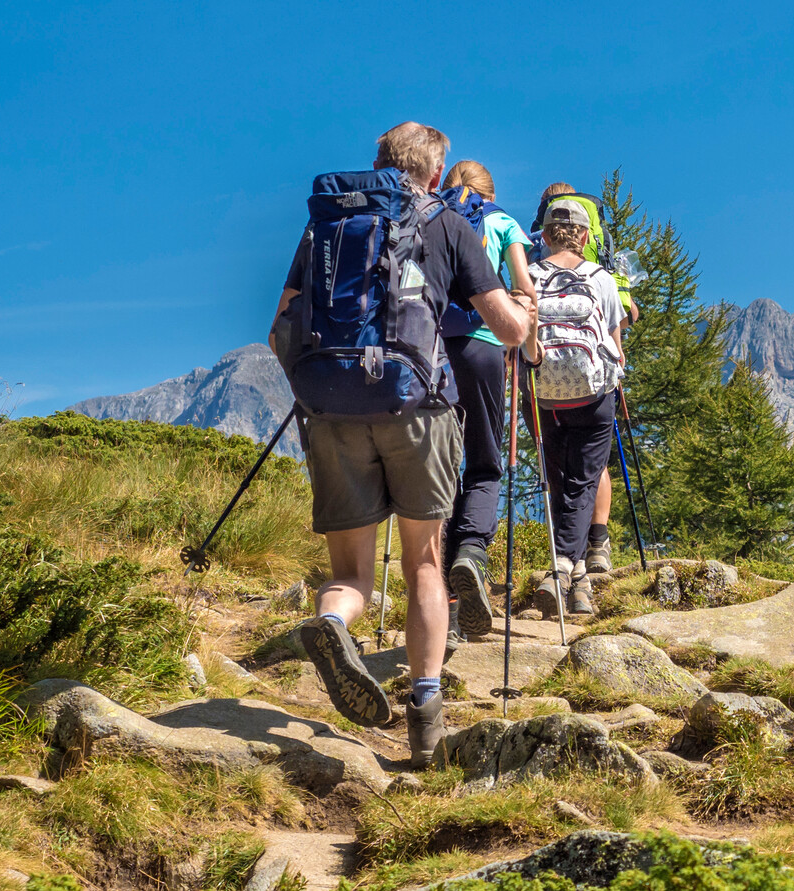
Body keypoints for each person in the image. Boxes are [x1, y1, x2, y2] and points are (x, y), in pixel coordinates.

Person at [268, 122, 536, 768]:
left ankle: (332, 625)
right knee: (423, 562)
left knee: (352, 574)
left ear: (378, 162)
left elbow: (281, 324)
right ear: (437, 175)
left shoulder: (326, 225)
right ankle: (425, 716)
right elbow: (508, 329)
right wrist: (528, 306)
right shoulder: (448, 222)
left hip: (331, 409)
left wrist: (316, 391)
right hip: (419, 406)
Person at [437, 160, 534, 640]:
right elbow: (525, 286)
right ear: (489, 191)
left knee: (437, 471)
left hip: (429, 353)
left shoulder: (430, 216)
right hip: (484, 346)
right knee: (484, 463)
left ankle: (443, 603)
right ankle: (472, 554)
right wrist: (528, 347)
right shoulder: (501, 221)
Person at [522, 196, 626, 616]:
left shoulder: (528, 275)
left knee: (561, 479)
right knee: (584, 483)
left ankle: (574, 576)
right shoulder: (601, 278)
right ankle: (566, 568)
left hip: (544, 395)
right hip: (594, 395)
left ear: (544, 236)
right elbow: (616, 346)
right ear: (585, 236)